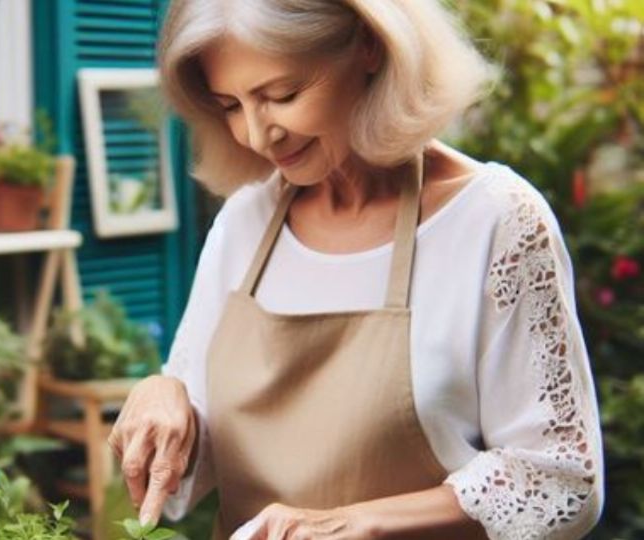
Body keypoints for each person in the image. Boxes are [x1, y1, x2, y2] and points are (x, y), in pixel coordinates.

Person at [107, 1, 605, 538]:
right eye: (230, 105)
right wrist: (165, 394)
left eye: (282, 95)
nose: (256, 134)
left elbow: (562, 480)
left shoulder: (495, 221)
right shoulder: (245, 221)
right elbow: (193, 444)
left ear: (371, 46)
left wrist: (359, 523)